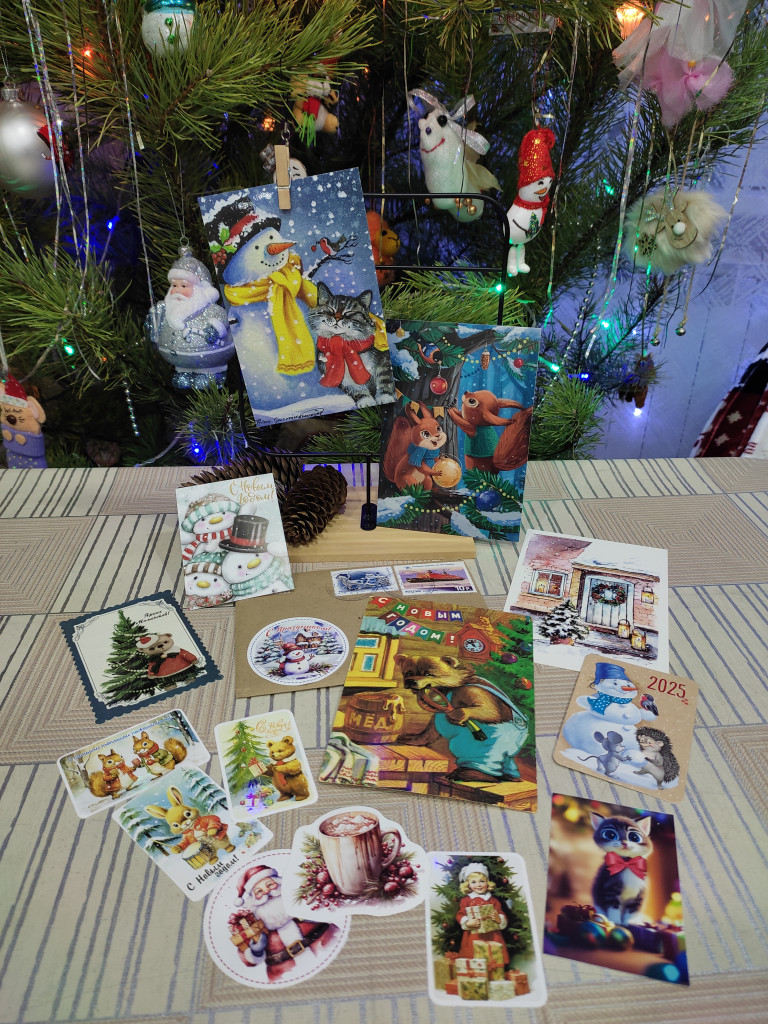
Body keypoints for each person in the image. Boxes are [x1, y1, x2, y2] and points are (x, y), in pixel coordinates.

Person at [228, 865, 338, 980]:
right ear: (254, 899)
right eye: (259, 891)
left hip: (325, 948)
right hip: (283, 973)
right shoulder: (253, 925)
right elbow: (245, 957)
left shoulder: (300, 901)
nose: (267, 892)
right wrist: (256, 951)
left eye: (270, 885)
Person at [144, 251, 233, 388]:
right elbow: (155, 326)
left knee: (207, 375)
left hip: (209, 358)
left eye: (184, 286)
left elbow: (221, 317)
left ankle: (211, 374)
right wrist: (153, 323)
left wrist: (214, 329)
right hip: (177, 359)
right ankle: (183, 372)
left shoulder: (209, 309)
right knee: (182, 378)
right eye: (174, 285)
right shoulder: (167, 309)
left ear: (199, 288)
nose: (177, 290)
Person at [456, 862, 510, 965]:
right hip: (473, 936)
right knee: (473, 957)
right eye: (474, 882)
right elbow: (460, 914)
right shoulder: (466, 901)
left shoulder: (493, 900)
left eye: (482, 881)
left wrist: (499, 919)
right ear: (468, 885)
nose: (478, 885)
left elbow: (500, 913)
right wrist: (467, 922)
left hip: (492, 936)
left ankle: (494, 970)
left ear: (487, 883)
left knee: (493, 956)